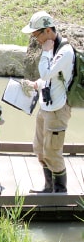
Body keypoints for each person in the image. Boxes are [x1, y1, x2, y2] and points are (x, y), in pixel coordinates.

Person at [21, 11, 74, 193]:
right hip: (45, 106)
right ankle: (48, 187)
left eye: (36, 35)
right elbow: (50, 78)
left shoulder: (64, 51)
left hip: (58, 110)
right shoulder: (52, 48)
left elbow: (47, 72)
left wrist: (45, 53)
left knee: (53, 152)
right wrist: (36, 84)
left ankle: (60, 192)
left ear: (48, 31)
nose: (36, 39)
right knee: (40, 148)